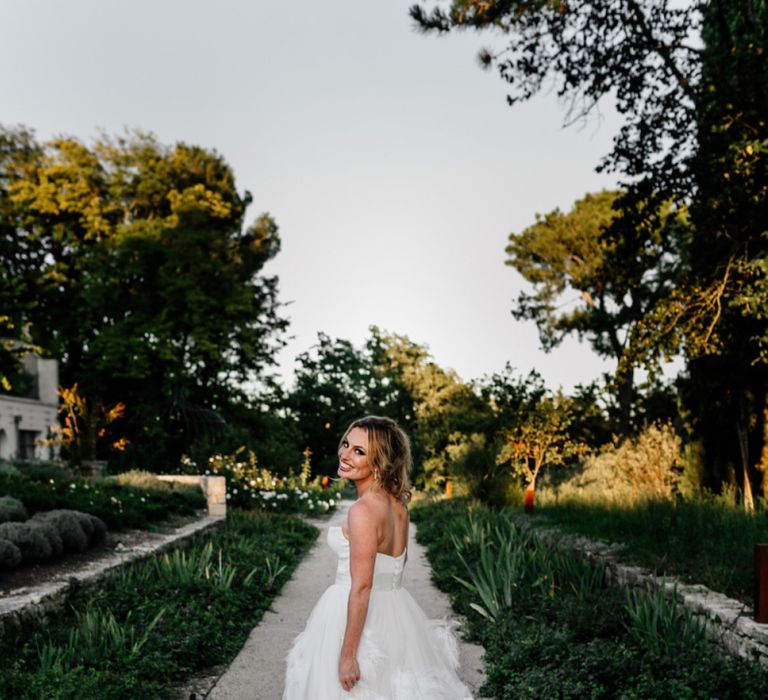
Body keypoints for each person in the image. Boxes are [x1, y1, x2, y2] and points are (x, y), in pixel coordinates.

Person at [283, 416, 473, 699]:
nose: (345, 454)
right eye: (346, 444)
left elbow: (362, 587)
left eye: (359, 451)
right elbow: (398, 566)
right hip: (395, 612)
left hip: (354, 613)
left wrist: (348, 655)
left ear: (379, 462)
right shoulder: (399, 507)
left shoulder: (363, 511)